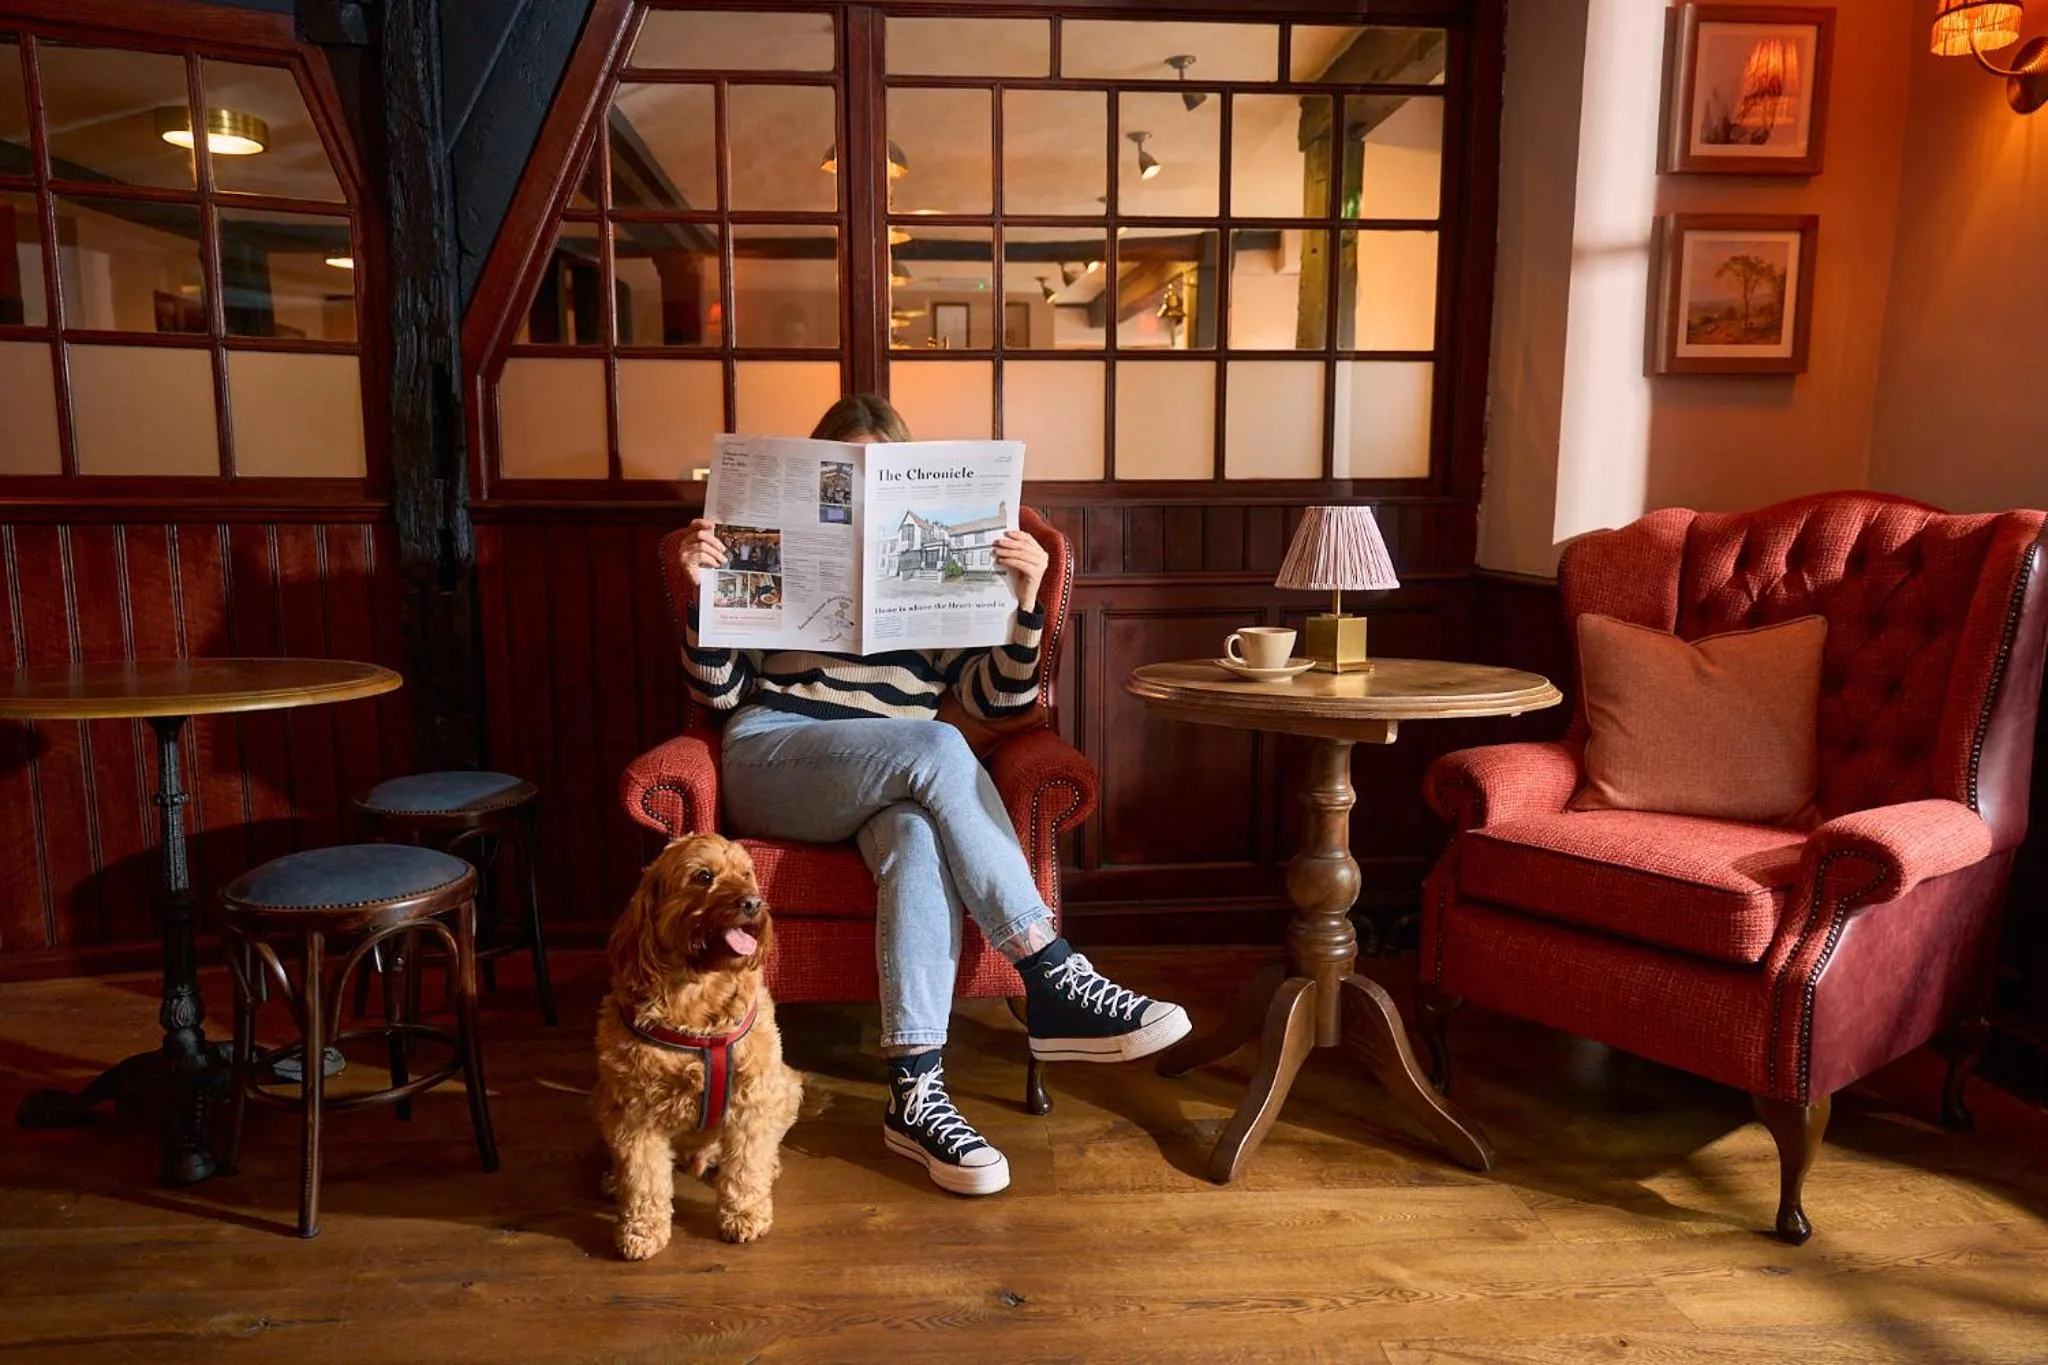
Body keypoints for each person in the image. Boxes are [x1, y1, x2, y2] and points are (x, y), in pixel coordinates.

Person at [675, 394, 1190, 1196]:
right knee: (937, 745)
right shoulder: (766, 544)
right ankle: (1050, 971)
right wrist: (704, 596)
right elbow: (719, 696)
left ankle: (914, 1091)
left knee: (916, 832)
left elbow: (995, 700)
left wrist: (1024, 603)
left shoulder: (936, 568)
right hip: (775, 754)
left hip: (892, 775)